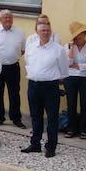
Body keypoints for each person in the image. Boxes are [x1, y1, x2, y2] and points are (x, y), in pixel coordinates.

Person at [21, 18, 67, 158]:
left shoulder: (58, 49)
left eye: (47, 30)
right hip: (34, 85)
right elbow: (27, 63)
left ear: (51, 32)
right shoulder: (31, 47)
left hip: (50, 87)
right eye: (42, 30)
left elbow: (64, 70)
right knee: (35, 116)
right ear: (37, 32)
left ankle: (51, 147)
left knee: (52, 118)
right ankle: (35, 144)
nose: (45, 32)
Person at [0, 11, 26, 128]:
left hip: (13, 67)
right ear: (0, 19)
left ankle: (16, 118)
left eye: (10, 17)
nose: (8, 19)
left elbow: (23, 50)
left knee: (14, 94)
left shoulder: (19, 32)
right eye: (5, 17)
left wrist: (12, 57)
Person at [63, 22, 86, 140]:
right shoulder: (67, 46)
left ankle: (84, 130)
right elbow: (67, 63)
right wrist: (71, 48)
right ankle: (71, 129)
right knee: (71, 104)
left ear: (84, 34)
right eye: (76, 36)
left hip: (85, 79)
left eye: (80, 35)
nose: (78, 38)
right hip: (70, 78)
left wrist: (77, 65)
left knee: (85, 105)